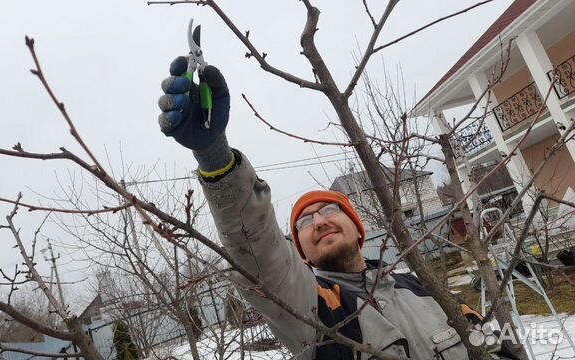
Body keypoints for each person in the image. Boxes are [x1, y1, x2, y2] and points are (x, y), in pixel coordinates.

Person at [157, 57, 511, 360]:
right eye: (306, 222)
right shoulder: (313, 307)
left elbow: (494, 346)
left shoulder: (423, 288)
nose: (320, 221)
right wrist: (214, 154)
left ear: (359, 228)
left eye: (329, 210)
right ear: (302, 255)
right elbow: (257, 252)